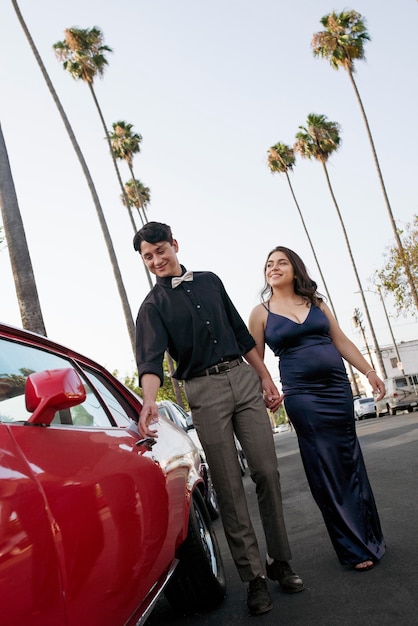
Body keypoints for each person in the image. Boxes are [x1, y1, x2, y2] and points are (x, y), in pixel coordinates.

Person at [133, 222, 304, 616]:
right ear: (144, 260)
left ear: (174, 245)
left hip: (243, 380)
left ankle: (281, 561)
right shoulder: (152, 307)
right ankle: (254, 578)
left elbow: (243, 337)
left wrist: (264, 378)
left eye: (161, 250)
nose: (157, 260)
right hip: (203, 391)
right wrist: (148, 401)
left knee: (266, 470)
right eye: (148, 256)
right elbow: (150, 361)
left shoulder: (211, 282)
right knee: (227, 485)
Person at [249, 246, 386, 572]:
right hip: (303, 396)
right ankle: (352, 546)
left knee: (350, 459)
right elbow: (254, 357)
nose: (274, 267)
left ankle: (370, 535)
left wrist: (369, 372)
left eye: (282, 262)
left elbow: (341, 341)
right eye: (270, 264)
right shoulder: (261, 312)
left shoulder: (317, 304)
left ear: (295, 269)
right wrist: (265, 384)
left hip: (337, 390)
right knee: (325, 465)